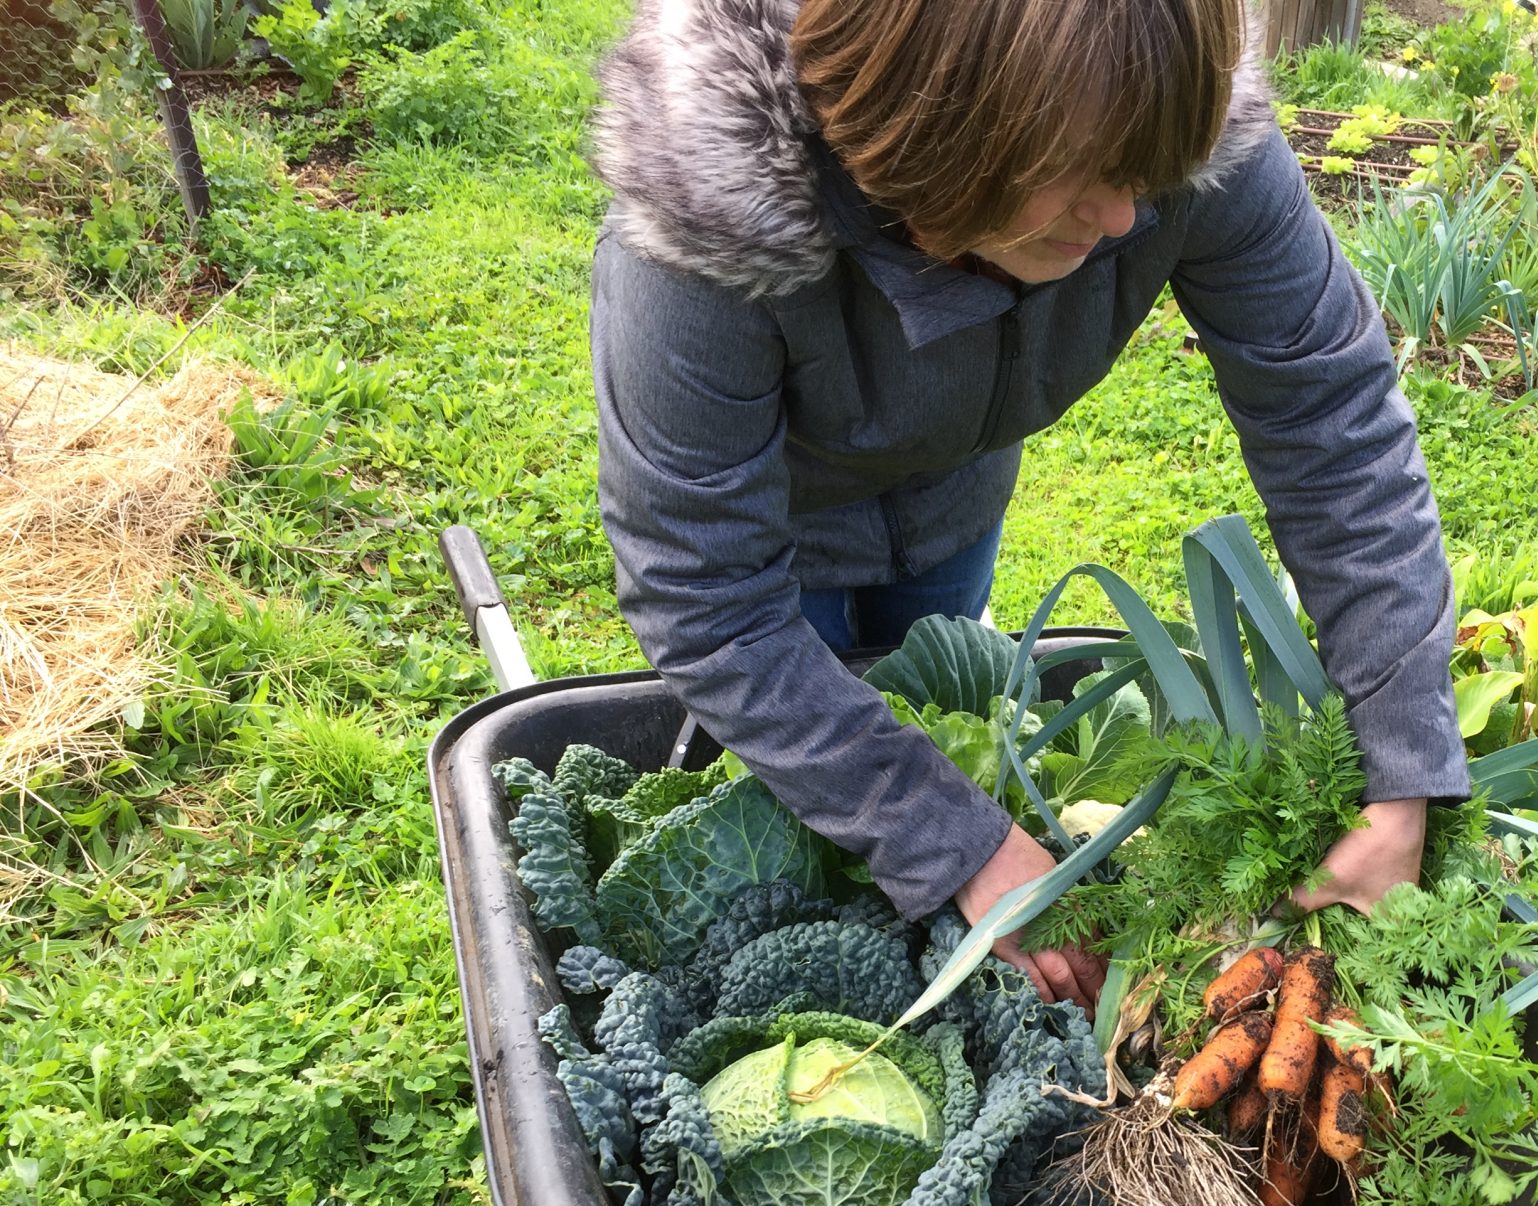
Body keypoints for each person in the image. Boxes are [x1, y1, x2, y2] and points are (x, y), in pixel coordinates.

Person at [587, 0, 1471, 1012]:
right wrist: (952, 842)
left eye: (1142, 179)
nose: (1125, 221)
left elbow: (1333, 421)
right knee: (803, 822)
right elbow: (707, 595)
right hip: (776, 537)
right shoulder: (707, 236)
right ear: (930, 142)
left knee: (932, 670)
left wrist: (1402, 761)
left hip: (955, 488)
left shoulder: (1176, 147)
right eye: (1085, 183)